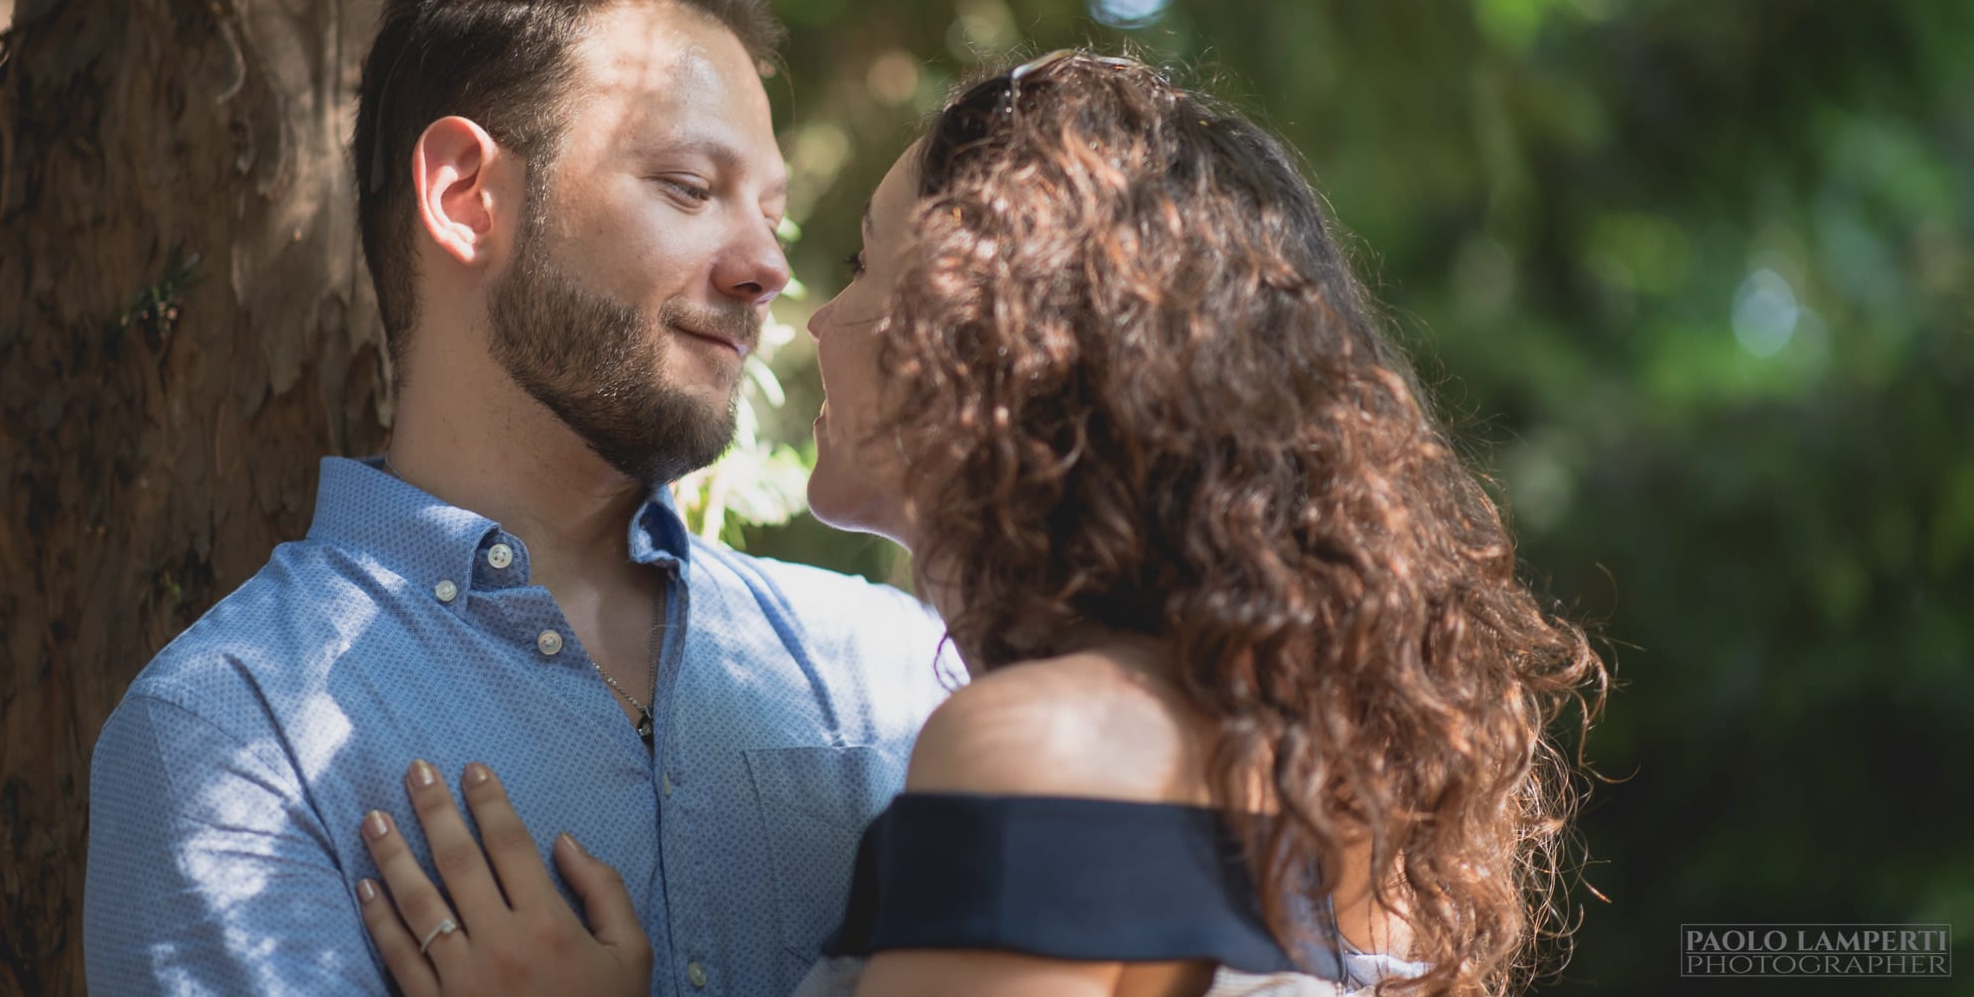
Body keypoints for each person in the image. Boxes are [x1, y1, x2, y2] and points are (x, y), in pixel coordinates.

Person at [350, 51, 1608, 997]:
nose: (809, 306)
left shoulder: (1047, 750)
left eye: (863, 260)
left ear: (985, 335)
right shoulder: (1336, 801)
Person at [82, 0, 955, 996]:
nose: (765, 268)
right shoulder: (235, 738)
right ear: (465, 196)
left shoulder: (901, 671)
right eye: (689, 187)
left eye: (770, 215)